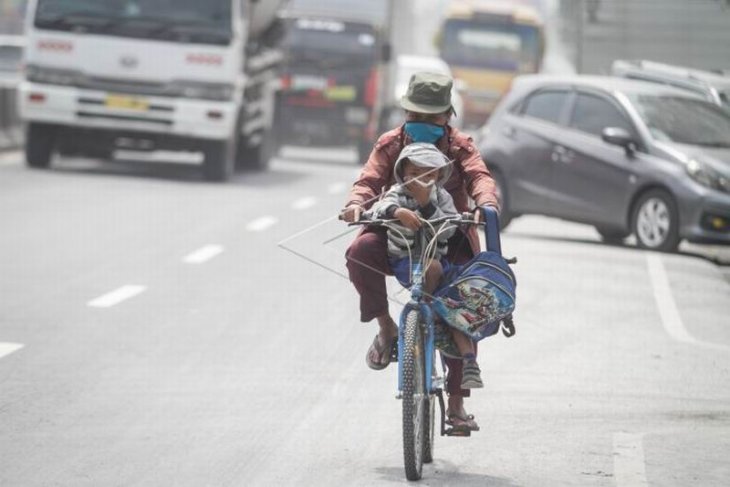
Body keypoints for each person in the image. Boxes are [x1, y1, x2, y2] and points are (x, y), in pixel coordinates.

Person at [340, 72, 500, 432]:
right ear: (405, 113)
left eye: (433, 117)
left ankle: (456, 405)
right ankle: (386, 329)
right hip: (396, 230)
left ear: (447, 116)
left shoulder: (460, 147)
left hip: (448, 234)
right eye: (417, 116)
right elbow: (368, 181)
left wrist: (485, 203)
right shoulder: (391, 143)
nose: (424, 123)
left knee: (462, 304)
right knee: (359, 250)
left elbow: (480, 177)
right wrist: (356, 203)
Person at [368, 142, 484, 389]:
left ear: (439, 177)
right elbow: (380, 207)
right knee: (431, 271)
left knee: (457, 303)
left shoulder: (442, 197)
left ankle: (470, 363)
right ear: (403, 172)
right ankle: (412, 323)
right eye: (415, 173)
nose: (423, 179)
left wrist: (426, 204)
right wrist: (398, 212)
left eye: (430, 174)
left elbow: (449, 230)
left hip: (437, 261)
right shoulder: (397, 193)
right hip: (405, 261)